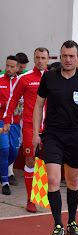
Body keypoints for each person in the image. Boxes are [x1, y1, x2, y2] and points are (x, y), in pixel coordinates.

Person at [32, 40, 78, 235]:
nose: (68, 59)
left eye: (71, 56)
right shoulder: (49, 77)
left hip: (74, 136)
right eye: (64, 56)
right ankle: (57, 225)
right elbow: (38, 106)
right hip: (52, 135)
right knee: (53, 180)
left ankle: (72, 221)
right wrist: (36, 133)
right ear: (60, 57)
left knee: (72, 181)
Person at [3, 47, 49, 212]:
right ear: (34, 59)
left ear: (48, 60)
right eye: (37, 57)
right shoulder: (25, 78)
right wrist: (7, 120)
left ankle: (41, 195)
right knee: (31, 160)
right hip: (30, 126)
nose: (40, 61)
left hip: (51, 127)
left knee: (46, 162)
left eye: (43, 58)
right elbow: (13, 99)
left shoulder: (53, 78)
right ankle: (31, 199)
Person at [0, 55, 22, 194]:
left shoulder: (21, 81)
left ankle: (3, 169)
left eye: (12, 66)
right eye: (7, 65)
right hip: (1, 120)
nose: (8, 69)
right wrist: (5, 104)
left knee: (14, 152)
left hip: (16, 122)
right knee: (5, 150)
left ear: (18, 68)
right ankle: (5, 182)